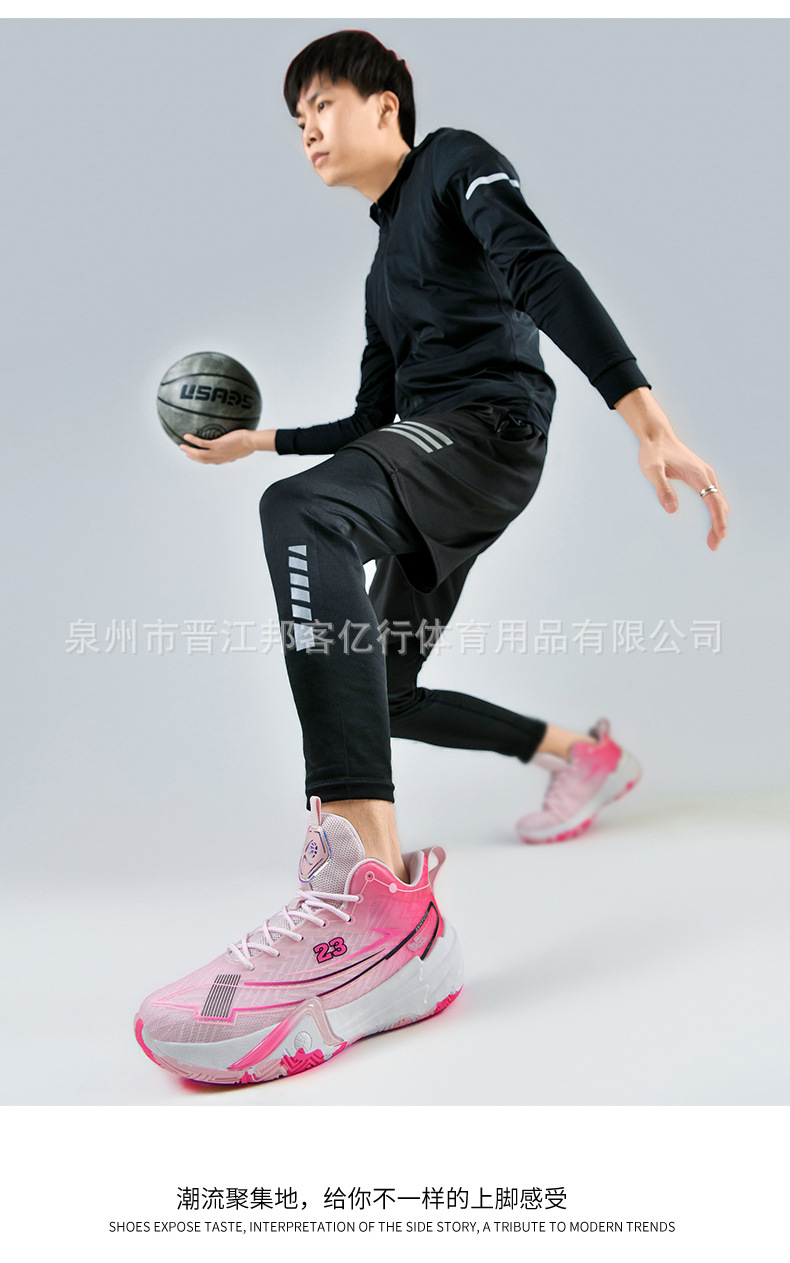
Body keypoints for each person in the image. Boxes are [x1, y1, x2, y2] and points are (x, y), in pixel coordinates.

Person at [135, 30, 728, 1085]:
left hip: (488, 435)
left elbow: (537, 268)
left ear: (385, 104)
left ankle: (373, 906)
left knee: (305, 516)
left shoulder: (455, 161)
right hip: (426, 454)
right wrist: (258, 440)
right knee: (385, 685)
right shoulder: (381, 278)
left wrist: (644, 416)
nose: (308, 129)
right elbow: (370, 421)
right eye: (296, 119)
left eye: (322, 103)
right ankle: (581, 756)